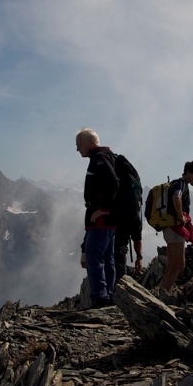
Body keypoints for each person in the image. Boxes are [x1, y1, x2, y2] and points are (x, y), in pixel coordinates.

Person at [76, 127, 118, 307]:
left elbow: (112, 181)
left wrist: (103, 209)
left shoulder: (99, 158)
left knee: (94, 257)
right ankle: (108, 296)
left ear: (90, 142)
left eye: (79, 144)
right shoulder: (106, 157)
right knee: (107, 258)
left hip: (100, 221)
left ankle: (100, 298)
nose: (77, 149)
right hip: (109, 222)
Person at [158, 160, 193, 298]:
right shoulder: (181, 184)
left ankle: (162, 291)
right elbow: (176, 197)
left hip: (168, 227)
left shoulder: (174, 183)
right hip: (175, 228)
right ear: (189, 173)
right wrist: (181, 217)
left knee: (172, 265)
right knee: (179, 264)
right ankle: (163, 295)